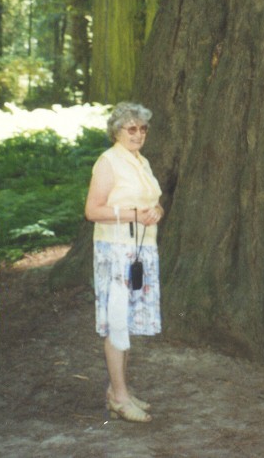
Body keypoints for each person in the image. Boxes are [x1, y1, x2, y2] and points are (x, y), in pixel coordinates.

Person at [85, 101, 164, 423]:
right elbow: (92, 210)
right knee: (117, 321)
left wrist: (156, 211)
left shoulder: (141, 161)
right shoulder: (108, 162)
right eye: (131, 128)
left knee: (127, 321)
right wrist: (133, 215)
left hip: (141, 251)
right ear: (117, 131)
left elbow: (152, 202)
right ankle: (119, 398)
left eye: (143, 128)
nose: (138, 134)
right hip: (116, 251)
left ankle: (118, 390)